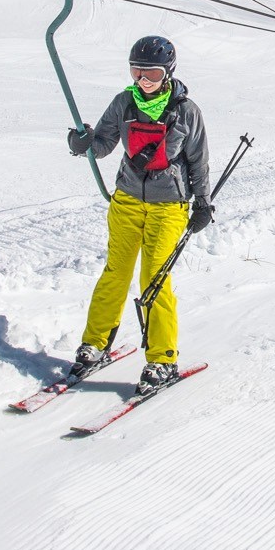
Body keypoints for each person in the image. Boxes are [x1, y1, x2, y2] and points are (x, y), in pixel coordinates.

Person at [66, 35, 212, 393]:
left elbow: (198, 160)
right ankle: (95, 344)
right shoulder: (123, 103)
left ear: (168, 74)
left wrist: (202, 202)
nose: (143, 81)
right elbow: (101, 144)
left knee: (154, 279)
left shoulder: (186, 111)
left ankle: (162, 359)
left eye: (152, 74)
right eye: (137, 72)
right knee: (115, 272)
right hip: (126, 201)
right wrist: (80, 143)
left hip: (168, 206)